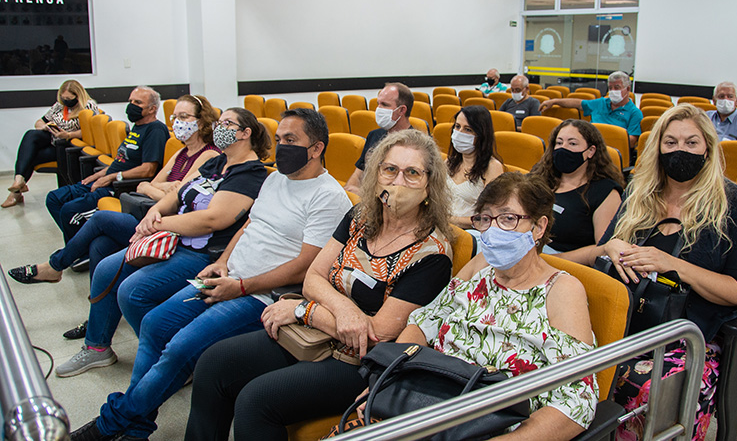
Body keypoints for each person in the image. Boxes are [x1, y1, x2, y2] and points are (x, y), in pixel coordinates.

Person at [68, 109, 353, 441]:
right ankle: (136, 426)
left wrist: (240, 285)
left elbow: (307, 265)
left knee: (179, 348)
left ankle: (113, 424)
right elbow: (251, 224)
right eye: (278, 140)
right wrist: (225, 262)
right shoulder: (276, 179)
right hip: (228, 275)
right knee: (155, 323)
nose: (281, 147)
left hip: (259, 295)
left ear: (316, 148)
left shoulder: (329, 196)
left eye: (291, 140)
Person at [184, 129, 454, 441]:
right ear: (377, 173)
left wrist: (303, 311)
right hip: (318, 333)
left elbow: (378, 333)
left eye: (412, 173)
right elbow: (314, 276)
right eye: (390, 169)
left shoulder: (432, 253)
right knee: (214, 362)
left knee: (256, 400)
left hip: (360, 361)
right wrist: (342, 311)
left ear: (429, 184)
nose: (397, 182)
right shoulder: (361, 216)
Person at [562, 104, 737, 441]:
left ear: (708, 149)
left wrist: (675, 266)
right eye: (670, 143)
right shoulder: (639, 194)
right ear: (658, 148)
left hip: (686, 336)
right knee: (559, 365)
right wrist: (610, 248)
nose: (679, 151)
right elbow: (605, 249)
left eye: (691, 143)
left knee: (640, 388)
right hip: (623, 320)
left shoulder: (734, 202)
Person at [54, 108, 269, 379]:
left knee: (131, 292)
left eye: (228, 123)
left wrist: (157, 224)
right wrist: (156, 211)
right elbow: (178, 193)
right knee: (107, 266)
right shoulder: (216, 163)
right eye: (219, 122)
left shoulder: (251, 174)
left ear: (245, 133)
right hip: (173, 239)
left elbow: (212, 219)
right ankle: (99, 348)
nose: (220, 128)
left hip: (204, 252)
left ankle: (172, 357)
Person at [395, 172, 597, 439]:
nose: (493, 230)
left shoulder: (561, 290)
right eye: (485, 219)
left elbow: (577, 401)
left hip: (493, 427)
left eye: (508, 218)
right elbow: (426, 320)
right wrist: (388, 376)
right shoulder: (481, 265)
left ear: (538, 227)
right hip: (429, 404)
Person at [8, 95, 220, 337]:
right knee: (100, 245)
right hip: (148, 213)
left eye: (184, 117)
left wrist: (160, 189)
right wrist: (160, 189)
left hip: (164, 226)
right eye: (175, 117)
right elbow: (147, 185)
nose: (177, 123)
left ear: (201, 121)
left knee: (99, 219)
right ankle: (96, 318)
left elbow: (178, 197)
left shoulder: (208, 154)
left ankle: (56, 266)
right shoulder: (181, 152)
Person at [45, 86, 170, 243]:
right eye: (130, 101)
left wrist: (111, 177)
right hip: (108, 179)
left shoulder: (155, 130)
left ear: (152, 109)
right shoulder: (137, 127)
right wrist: (99, 174)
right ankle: (78, 243)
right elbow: (121, 161)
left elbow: (148, 170)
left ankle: (79, 249)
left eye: (137, 102)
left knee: (69, 210)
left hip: (118, 187)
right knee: (54, 198)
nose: (131, 105)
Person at [530, 119, 623, 253]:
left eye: (572, 143)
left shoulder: (605, 191)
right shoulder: (540, 177)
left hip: (567, 264)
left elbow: (603, 248)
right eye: (559, 143)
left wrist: (555, 261)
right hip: (528, 252)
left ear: (590, 151)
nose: (563, 148)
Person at [4, 79, 99, 208]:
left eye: (69, 98)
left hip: (69, 146)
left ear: (78, 96)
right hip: (53, 140)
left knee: (31, 156)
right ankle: (19, 180)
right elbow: (39, 121)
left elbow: (91, 131)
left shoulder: (88, 106)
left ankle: (17, 190)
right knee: (32, 134)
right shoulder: (59, 106)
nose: (66, 101)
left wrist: (68, 135)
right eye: (63, 98)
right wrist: (45, 127)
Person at [540, 71, 643, 149]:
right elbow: (578, 103)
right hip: (587, 146)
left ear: (628, 89)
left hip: (608, 151)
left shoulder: (635, 113)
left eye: (617, 87)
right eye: (610, 88)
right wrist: (555, 101)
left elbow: (631, 141)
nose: (613, 91)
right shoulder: (601, 103)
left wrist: (606, 140)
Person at [343, 82, 413, 195]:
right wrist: (350, 190)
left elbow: (403, 191)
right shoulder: (374, 135)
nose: (378, 109)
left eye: (384, 105)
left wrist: (365, 194)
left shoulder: (415, 145)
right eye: (378, 104)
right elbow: (359, 173)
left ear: (401, 110)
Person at [446, 105, 504, 230]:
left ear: (481, 134)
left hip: (470, 232)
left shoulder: (493, 168)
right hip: (441, 226)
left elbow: (488, 217)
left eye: (468, 129)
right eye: (457, 126)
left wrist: (447, 219)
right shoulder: (449, 162)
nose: (459, 133)